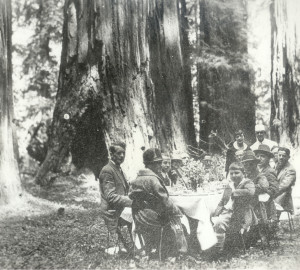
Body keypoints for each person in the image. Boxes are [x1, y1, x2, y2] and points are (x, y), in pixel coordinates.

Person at [129, 148, 187, 258]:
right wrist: (178, 212)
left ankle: (159, 249)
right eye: (157, 163)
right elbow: (165, 201)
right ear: (149, 164)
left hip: (139, 217)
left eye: (160, 162)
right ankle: (179, 251)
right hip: (152, 219)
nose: (160, 165)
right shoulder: (153, 179)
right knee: (180, 219)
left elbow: (131, 196)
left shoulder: (137, 178)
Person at [212, 162, 256, 252]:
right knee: (215, 221)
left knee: (221, 223)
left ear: (243, 173)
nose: (234, 175)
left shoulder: (247, 182)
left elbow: (250, 192)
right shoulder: (230, 185)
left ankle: (223, 248)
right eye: (231, 173)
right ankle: (218, 247)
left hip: (242, 213)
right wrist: (216, 212)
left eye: (236, 173)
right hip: (229, 212)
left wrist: (234, 192)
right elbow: (223, 201)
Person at [99, 141, 132, 253]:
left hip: (120, 207)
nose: (122, 156)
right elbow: (111, 197)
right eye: (119, 153)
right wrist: (131, 202)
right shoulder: (107, 170)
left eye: (123, 153)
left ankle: (139, 244)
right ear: (112, 154)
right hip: (112, 210)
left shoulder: (118, 168)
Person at [254, 145, 278, 220]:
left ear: (268, 158)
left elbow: (274, 188)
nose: (259, 158)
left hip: (266, 202)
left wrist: (262, 191)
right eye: (257, 156)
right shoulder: (256, 170)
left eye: (263, 156)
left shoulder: (269, 171)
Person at [274, 147, 296, 215]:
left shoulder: (290, 170)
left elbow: (283, 186)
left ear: (288, 157)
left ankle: (273, 223)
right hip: (275, 193)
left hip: (283, 197)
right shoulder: (276, 165)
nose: (281, 157)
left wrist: (271, 192)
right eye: (279, 155)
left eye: (284, 156)